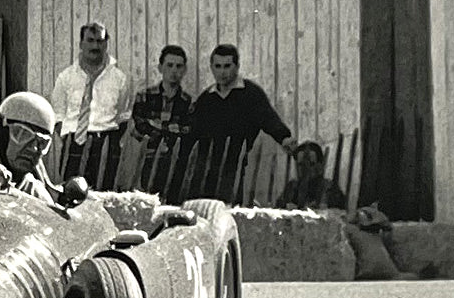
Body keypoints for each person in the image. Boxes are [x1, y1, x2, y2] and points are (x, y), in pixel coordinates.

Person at [183, 43, 296, 198]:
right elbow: (192, 130)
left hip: (238, 165)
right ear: (211, 68)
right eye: (218, 66)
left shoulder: (250, 93)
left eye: (227, 66)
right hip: (208, 165)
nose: (222, 72)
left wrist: (284, 137)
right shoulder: (207, 98)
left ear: (237, 66)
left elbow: (268, 118)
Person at [51, 21, 133, 186]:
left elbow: (124, 115)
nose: (95, 46)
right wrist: (69, 137)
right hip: (74, 143)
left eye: (100, 41)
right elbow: (58, 114)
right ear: (81, 44)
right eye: (90, 40)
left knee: (103, 191)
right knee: (70, 190)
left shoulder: (119, 78)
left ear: (105, 44)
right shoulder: (66, 77)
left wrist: (111, 141)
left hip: (106, 143)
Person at [131, 44, 193, 189]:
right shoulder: (145, 97)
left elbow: (186, 132)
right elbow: (139, 128)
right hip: (145, 159)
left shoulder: (188, 102)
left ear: (184, 70)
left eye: (179, 66)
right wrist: (169, 130)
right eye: (169, 65)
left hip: (173, 161)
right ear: (160, 67)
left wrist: (154, 125)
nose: (174, 71)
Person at [275, 139, 347, 210]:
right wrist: (286, 207)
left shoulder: (330, 189)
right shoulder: (291, 188)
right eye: (301, 164)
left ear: (320, 165)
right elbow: (277, 210)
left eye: (311, 164)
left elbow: (342, 214)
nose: (305, 169)